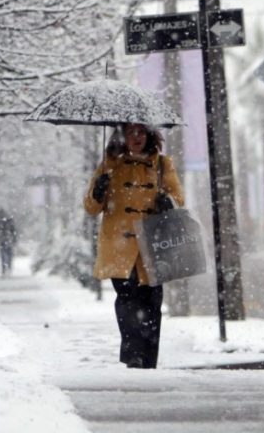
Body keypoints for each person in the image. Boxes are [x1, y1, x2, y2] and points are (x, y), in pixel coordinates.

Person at [84, 123, 183, 369]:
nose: (136, 137)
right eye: (131, 132)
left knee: (152, 302)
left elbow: (179, 200)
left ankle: (149, 359)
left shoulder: (162, 164)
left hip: (152, 244)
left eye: (141, 132)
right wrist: (99, 190)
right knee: (127, 298)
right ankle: (133, 355)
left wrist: (167, 202)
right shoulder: (110, 165)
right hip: (119, 244)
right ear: (123, 135)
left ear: (150, 135)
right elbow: (90, 208)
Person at [0, 208, 19, 276]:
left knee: (3, 256)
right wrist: (14, 239)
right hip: (8, 240)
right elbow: (13, 231)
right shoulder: (9, 220)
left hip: (3, 240)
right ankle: (8, 268)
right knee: (9, 255)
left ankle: (4, 269)